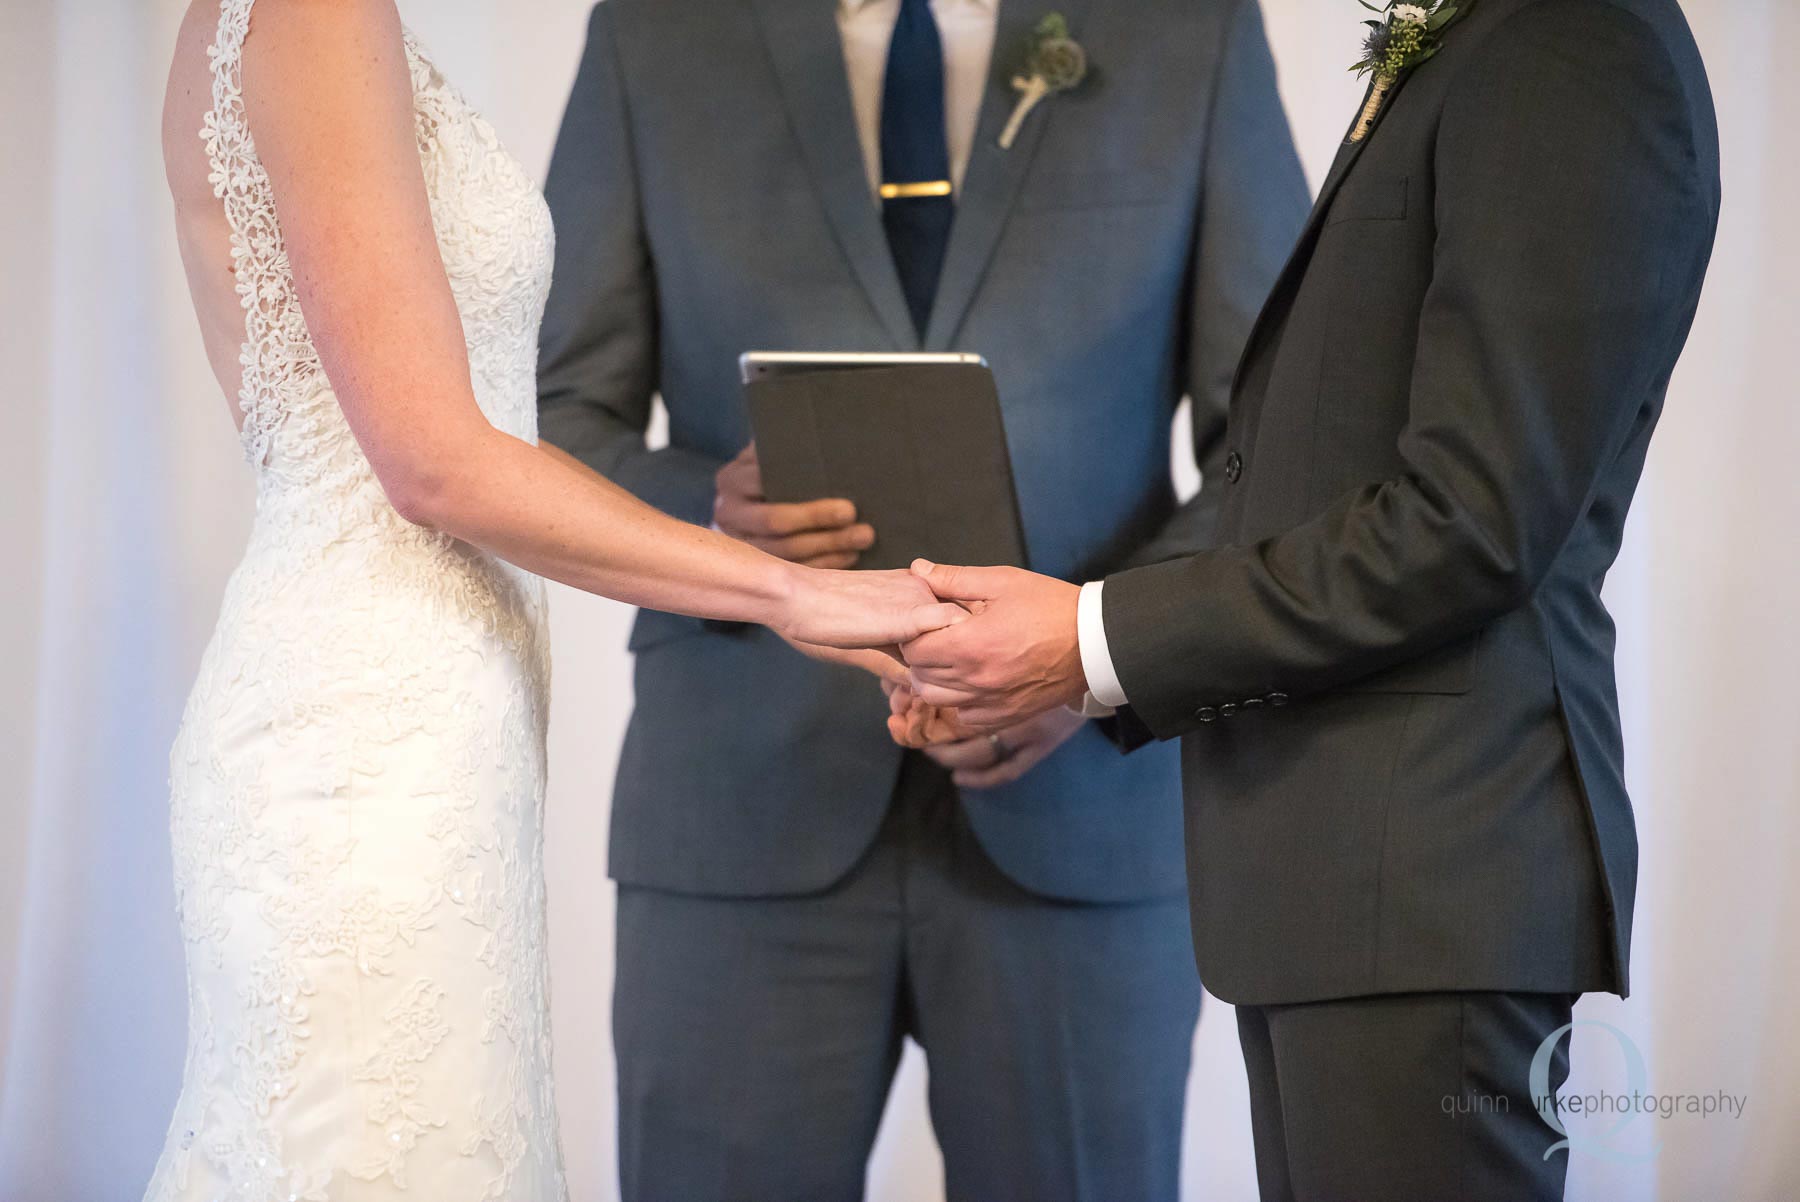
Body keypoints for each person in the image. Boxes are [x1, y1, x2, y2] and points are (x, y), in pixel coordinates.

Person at [894, 0, 1722, 1198]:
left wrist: (1088, 640)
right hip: (1348, 884)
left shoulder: (1572, 41)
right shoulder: (1486, 41)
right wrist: (1070, 678)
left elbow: (1470, 522)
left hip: (1432, 874)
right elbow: (1307, 475)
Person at [148, 1, 957, 1198]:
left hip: (430, 726)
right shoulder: (310, 11)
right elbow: (433, 461)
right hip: (365, 742)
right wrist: (793, 594)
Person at [535, 0, 1306, 1196]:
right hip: (741, 802)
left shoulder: (1187, 29)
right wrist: (712, 514)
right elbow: (564, 412)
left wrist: (1097, 656)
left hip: (1084, 808)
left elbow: (1283, 433)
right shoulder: (655, 29)